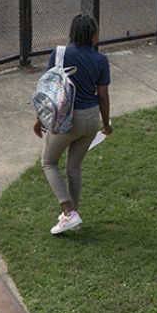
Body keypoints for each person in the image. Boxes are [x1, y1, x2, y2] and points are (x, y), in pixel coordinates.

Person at [33, 14, 112, 236]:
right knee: (74, 167)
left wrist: (40, 119)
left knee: (49, 162)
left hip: (67, 119)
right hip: (90, 119)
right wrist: (106, 125)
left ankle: (68, 213)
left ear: (72, 33)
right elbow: (104, 97)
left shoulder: (59, 54)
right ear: (93, 36)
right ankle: (73, 216)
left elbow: (50, 92)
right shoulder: (101, 61)